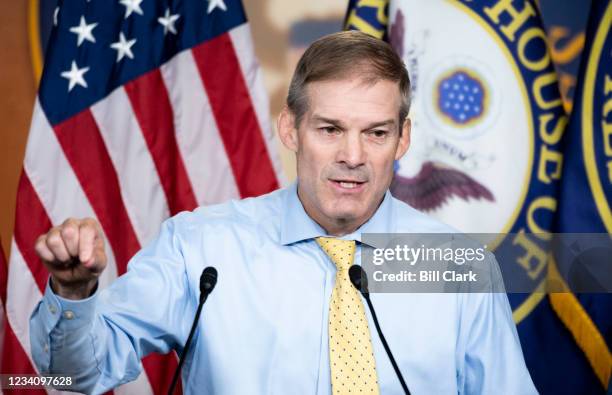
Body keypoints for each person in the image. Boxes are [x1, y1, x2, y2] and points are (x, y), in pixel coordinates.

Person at [30, 31, 536, 394]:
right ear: (290, 130)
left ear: (402, 139)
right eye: (330, 129)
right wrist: (74, 295)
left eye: (376, 133)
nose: (353, 156)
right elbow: (74, 375)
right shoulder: (201, 248)